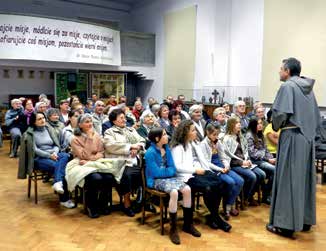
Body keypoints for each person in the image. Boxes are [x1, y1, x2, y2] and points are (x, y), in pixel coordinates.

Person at [267, 58, 320, 238]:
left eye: (281, 69)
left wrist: (275, 124)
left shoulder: (287, 87)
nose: (279, 72)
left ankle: (286, 225)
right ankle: (304, 220)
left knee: (288, 179)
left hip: (292, 137)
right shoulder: (309, 90)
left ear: (288, 71)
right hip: (307, 139)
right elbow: (316, 117)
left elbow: (280, 114)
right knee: (303, 180)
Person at [170, 120, 231, 232]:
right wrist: (195, 170)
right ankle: (215, 217)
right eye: (193, 130)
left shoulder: (191, 143)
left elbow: (202, 161)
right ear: (185, 133)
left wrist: (206, 171)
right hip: (185, 177)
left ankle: (213, 216)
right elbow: (177, 167)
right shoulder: (177, 147)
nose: (196, 132)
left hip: (194, 172)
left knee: (219, 183)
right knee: (209, 188)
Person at [145, 128, 201, 244]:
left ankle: (188, 224)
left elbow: (173, 168)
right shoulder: (150, 152)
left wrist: (167, 171)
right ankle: (173, 229)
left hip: (169, 178)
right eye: (164, 135)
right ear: (157, 138)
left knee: (187, 189)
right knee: (174, 192)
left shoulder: (167, 149)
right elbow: (155, 173)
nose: (167, 137)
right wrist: (168, 171)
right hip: (155, 180)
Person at [18, 112, 73, 208]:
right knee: (59, 167)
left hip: (54, 154)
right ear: (34, 122)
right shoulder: (29, 133)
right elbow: (34, 150)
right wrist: (49, 155)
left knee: (65, 155)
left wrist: (55, 153)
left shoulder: (49, 129)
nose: (43, 120)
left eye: (43, 118)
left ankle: (57, 182)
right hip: (39, 158)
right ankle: (64, 199)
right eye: (39, 119)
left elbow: (56, 145)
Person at [67, 114, 115, 218]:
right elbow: (83, 155)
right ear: (80, 125)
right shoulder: (75, 139)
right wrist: (89, 138)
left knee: (109, 177)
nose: (90, 124)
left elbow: (102, 152)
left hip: (95, 163)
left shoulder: (96, 135)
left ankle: (102, 204)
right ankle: (91, 206)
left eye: (90, 121)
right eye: (87, 122)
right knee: (95, 178)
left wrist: (91, 158)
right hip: (80, 164)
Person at [103, 109, 146, 217]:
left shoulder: (131, 130)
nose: (124, 120)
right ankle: (127, 204)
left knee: (147, 172)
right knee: (127, 175)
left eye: (124, 117)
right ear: (114, 120)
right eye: (121, 118)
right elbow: (111, 146)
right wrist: (130, 146)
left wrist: (138, 147)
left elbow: (142, 140)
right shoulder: (109, 132)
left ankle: (142, 201)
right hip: (121, 161)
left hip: (136, 158)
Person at [201, 123, 244, 220]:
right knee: (231, 182)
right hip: (213, 169)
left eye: (217, 134)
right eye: (214, 134)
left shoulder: (218, 142)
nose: (216, 137)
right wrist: (221, 169)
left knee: (240, 181)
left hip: (222, 166)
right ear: (207, 132)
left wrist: (226, 165)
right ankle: (227, 208)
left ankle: (229, 203)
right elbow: (207, 163)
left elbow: (223, 157)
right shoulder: (203, 144)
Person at [222, 117, 266, 207]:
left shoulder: (241, 137)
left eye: (239, 123)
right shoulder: (227, 139)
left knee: (261, 174)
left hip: (244, 162)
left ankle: (249, 196)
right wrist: (241, 163)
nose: (239, 124)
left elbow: (246, 152)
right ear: (231, 125)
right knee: (252, 176)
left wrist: (248, 160)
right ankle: (245, 197)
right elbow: (228, 157)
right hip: (234, 164)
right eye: (236, 123)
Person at [246, 118, 275, 205]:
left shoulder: (261, 134)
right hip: (254, 161)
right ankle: (266, 194)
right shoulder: (249, 135)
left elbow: (266, 150)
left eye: (261, 123)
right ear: (253, 125)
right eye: (258, 124)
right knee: (274, 170)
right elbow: (252, 153)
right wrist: (268, 159)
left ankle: (267, 194)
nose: (260, 125)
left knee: (275, 170)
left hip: (262, 160)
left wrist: (272, 158)